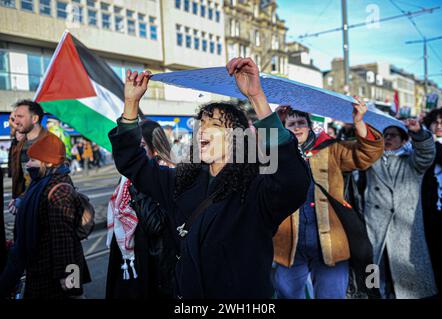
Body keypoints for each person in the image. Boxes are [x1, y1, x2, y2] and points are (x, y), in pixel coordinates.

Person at [108, 57, 311, 299]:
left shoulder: (257, 190)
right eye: (201, 123)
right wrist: (131, 104)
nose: (203, 128)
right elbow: (132, 162)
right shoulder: (180, 183)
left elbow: (293, 181)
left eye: (214, 124)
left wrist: (256, 97)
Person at [273, 103, 384, 299]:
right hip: (288, 243)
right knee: (286, 296)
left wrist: (358, 122)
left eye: (301, 123)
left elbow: (368, 154)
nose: (297, 127)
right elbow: (253, 160)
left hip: (330, 242)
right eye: (291, 124)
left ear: (310, 127)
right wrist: (274, 123)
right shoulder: (277, 153)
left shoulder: (331, 149)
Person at [0, 134, 91, 299]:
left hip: (58, 272)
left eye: (33, 160)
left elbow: (64, 239)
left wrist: (68, 278)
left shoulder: (60, 191)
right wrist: (21, 202)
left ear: (49, 162)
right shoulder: (42, 181)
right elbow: (32, 199)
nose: (27, 164)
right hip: (42, 267)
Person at [360, 120, 437, 299]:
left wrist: (418, 132)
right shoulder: (372, 160)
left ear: (403, 141)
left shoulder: (412, 163)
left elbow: (427, 153)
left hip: (404, 230)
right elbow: (359, 149)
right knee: (376, 275)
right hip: (375, 227)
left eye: (393, 135)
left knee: (407, 283)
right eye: (385, 135)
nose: (387, 138)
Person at [106, 120, 178, 299]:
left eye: (141, 146)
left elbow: (155, 224)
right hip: (127, 260)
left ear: (155, 148)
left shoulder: (167, 175)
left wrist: (139, 188)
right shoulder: (125, 181)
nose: (135, 152)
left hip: (151, 262)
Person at [421, 104, 442, 298]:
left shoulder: (441, 146)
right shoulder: (422, 143)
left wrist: (436, 147)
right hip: (428, 209)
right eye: (435, 122)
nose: (439, 126)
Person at [9, 100, 50, 202]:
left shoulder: (47, 142)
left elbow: (59, 173)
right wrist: (18, 197)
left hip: (40, 201)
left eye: (20, 117)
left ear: (34, 119)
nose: (15, 122)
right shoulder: (19, 144)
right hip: (25, 199)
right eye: (14, 119)